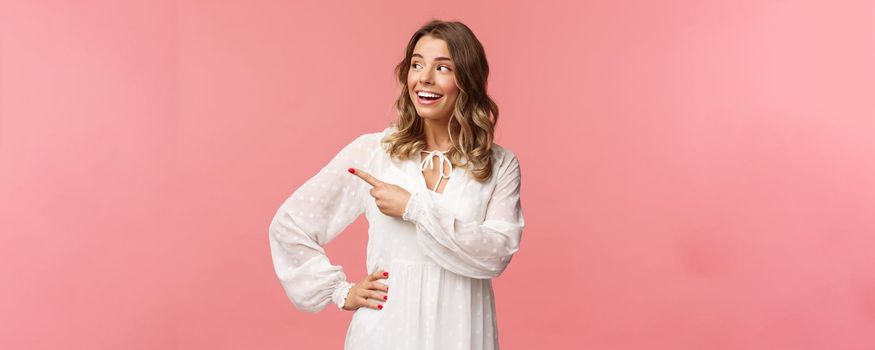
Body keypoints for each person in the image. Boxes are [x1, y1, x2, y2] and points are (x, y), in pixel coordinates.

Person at [268, 19, 525, 350]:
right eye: (416, 65)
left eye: (443, 68)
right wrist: (339, 291)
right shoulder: (375, 152)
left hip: (462, 331)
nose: (424, 78)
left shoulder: (499, 165)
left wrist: (415, 208)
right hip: (386, 333)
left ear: (467, 79)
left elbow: (497, 253)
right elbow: (290, 224)